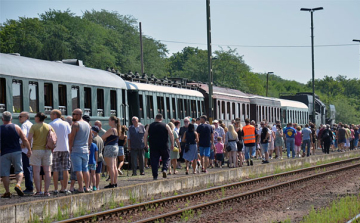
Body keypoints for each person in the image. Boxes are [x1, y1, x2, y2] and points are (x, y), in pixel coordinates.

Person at [1, 111, 31, 198]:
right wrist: (29, 149)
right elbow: (24, 139)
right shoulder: (16, 127)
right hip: (16, 152)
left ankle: (7, 192)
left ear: (2, 119)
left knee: (5, 173)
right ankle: (18, 184)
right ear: (11, 118)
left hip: (4, 153)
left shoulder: (0, 128)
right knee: (19, 170)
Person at [27, 112, 54, 196]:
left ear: (38, 118)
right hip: (47, 150)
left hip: (36, 150)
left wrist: (29, 149)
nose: (34, 118)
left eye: (35, 117)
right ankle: (46, 191)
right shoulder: (49, 126)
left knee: (36, 171)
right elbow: (53, 137)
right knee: (47, 171)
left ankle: (38, 191)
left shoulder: (34, 126)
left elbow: (29, 138)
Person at [144, 114, 174, 180]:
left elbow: (145, 135)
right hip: (164, 145)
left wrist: (146, 144)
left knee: (154, 160)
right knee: (166, 158)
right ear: (162, 119)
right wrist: (172, 143)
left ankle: (155, 176)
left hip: (153, 146)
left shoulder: (150, 126)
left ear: (155, 118)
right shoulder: (166, 125)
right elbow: (171, 134)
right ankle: (164, 170)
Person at [68, 109, 92, 193]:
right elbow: (90, 138)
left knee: (78, 170)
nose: (73, 116)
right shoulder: (88, 125)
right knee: (85, 169)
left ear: (78, 115)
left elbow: (71, 138)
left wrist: (70, 148)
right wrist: (88, 148)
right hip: (85, 150)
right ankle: (87, 187)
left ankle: (81, 188)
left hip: (76, 150)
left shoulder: (75, 125)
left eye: (74, 114)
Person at [49, 109, 72, 195]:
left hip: (55, 149)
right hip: (65, 149)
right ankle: (65, 188)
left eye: (51, 115)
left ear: (55, 115)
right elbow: (69, 136)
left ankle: (55, 189)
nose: (50, 116)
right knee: (65, 169)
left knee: (55, 169)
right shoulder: (66, 124)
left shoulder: (51, 124)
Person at [102, 116, 120, 188]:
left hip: (109, 147)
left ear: (113, 121)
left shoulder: (111, 130)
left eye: (109, 120)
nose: (108, 122)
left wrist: (105, 138)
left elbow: (102, 137)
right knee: (114, 166)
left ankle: (112, 183)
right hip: (116, 147)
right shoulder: (118, 129)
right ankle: (115, 182)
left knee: (110, 166)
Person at [18, 111, 34, 194]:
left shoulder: (24, 125)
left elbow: (23, 135)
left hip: (25, 150)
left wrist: (22, 143)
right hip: (29, 149)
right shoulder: (30, 124)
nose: (19, 118)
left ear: (26, 117)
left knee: (27, 168)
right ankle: (30, 186)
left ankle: (29, 187)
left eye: (21, 116)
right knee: (29, 168)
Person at [91, 126, 104, 190]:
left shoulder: (93, 139)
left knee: (92, 173)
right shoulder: (100, 139)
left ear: (93, 131)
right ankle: (97, 186)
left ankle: (92, 185)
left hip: (94, 157)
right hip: (100, 156)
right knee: (98, 172)